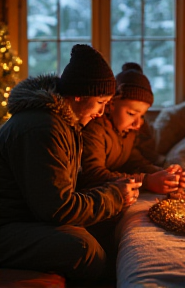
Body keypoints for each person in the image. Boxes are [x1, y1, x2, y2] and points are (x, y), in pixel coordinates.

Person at [0, 45, 142, 283]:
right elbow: (57, 209)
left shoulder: (67, 124)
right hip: (8, 226)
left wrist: (113, 192)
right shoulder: (43, 128)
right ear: (79, 95)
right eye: (100, 102)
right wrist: (113, 196)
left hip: (29, 218)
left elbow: (60, 194)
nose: (102, 112)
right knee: (84, 249)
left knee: (110, 223)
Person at [77, 62, 185, 195]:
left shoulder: (127, 132)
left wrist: (166, 174)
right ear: (111, 104)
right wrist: (146, 181)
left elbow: (134, 162)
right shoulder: (94, 130)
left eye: (142, 116)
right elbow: (93, 175)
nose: (138, 124)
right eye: (131, 114)